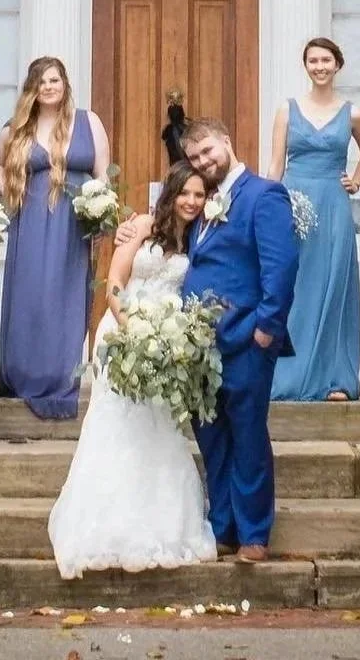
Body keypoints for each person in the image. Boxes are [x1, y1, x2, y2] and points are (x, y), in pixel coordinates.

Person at [48, 162, 217, 577]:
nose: (192, 202)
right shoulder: (141, 226)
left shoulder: (200, 236)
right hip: (125, 334)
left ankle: (159, 523)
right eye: (185, 193)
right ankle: (103, 525)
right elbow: (115, 284)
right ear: (171, 193)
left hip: (168, 343)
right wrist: (134, 330)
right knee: (117, 424)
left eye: (199, 195)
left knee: (158, 428)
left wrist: (168, 339)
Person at [180, 118, 299, 564]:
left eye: (207, 151)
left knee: (247, 436)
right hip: (200, 344)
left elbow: (280, 266)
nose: (202, 161)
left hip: (247, 338)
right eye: (194, 157)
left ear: (227, 142)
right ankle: (224, 528)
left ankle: (254, 533)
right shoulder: (201, 200)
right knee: (212, 438)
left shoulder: (263, 195)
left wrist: (267, 327)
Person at [0, 57, 111, 420]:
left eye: (54, 80)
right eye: (41, 82)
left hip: (74, 225)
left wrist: (99, 208)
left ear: (65, 83)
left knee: (66, 296)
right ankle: (23, 373)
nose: (49, 87)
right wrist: (11, 190)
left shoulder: (89, 122)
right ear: (32, 89)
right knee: (30, 295)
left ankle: (59, 378)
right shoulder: (18, 128)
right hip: (31, 220)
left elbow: (103, 173)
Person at [266, 37, 360, 401]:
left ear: (337, 64)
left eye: (326, 60)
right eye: (313, 61)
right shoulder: (287, 109)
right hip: (295, 203)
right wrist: (268, 207)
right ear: (306, 65)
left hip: (333, 205)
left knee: (333, 285)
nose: (320, 66)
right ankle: (286, 373)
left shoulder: (354, 114)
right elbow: (276, 166)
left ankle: (335, 376)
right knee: (295, 284)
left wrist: (356, 180)